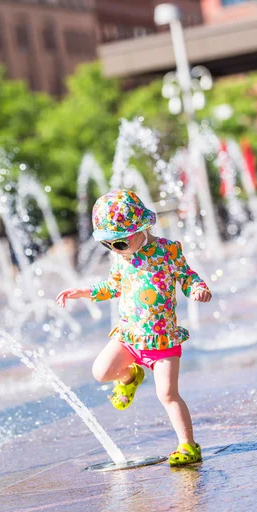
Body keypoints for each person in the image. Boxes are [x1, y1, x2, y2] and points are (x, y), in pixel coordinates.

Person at [56, 190, 212, 467]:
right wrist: (85, 292)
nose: (115, 249)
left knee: (167, 394)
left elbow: (187, 276)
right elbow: (113, 286)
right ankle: (130, 377)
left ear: (142, 228)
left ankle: (188, 445)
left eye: (119, 242)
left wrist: (197, 288)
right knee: (101, 372)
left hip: (162, 338)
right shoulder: (121, 257)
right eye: (109, 244)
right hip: (129, 335)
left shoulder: (167, 250)